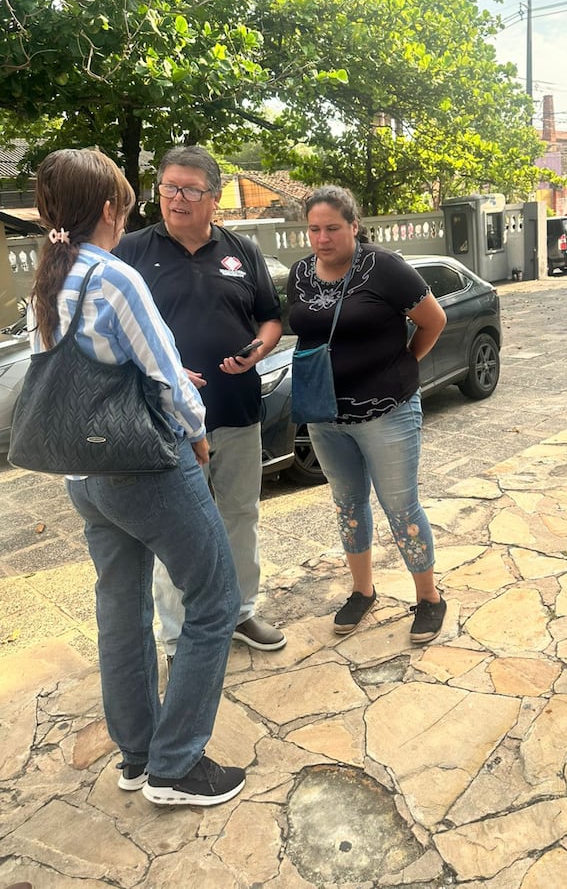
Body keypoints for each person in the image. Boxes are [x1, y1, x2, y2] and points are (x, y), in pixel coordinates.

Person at [30, 148, 244, 806]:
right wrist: (198, 431)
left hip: (84, 475)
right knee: (215, 598)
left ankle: (138, 755)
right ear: (107, 210)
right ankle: (176, 766)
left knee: (120, 611)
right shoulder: (112, 277)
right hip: (144, 466)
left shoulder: (48, 280)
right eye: (124, 205)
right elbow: (166, 371)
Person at [115, 146, 285, 666]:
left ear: (214, 198)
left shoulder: (242, 251)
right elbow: (111, 333)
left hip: (237, 410)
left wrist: (259, 349)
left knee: (240, 515)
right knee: (176, 531)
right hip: (166, 421)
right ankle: (178, 637)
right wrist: (160, 371)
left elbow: (270, 319)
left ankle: (240, 612)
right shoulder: (131, 251)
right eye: (168, 187)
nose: (177, 198)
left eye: (190, 189)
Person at [287, 186, 448, 642]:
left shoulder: (385, 267)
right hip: (325, 415)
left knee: (400, 506)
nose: (322, 238)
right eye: (314, 229)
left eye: (332, 228)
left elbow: (434, 320)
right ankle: (362, 591)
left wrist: (401, 365)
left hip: (387, 413)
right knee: (347, 505)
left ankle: (429, 597)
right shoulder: (300, 273)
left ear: (354, 226)